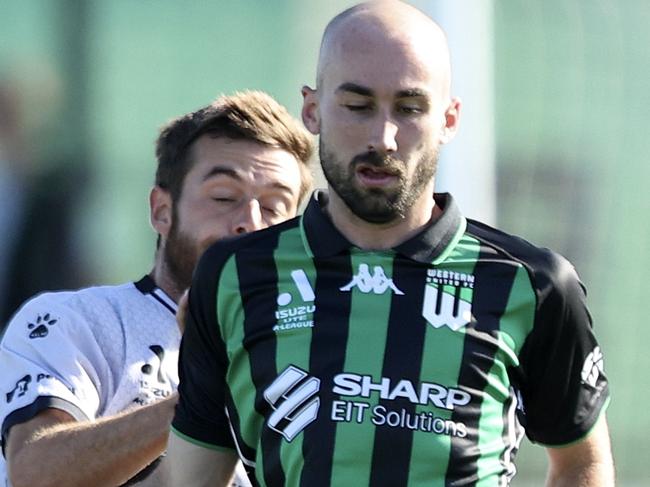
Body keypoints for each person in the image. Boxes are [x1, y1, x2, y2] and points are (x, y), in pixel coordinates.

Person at [168, 2, 614, 486]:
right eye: (357, 106)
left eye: (409, 108)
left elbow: (580, 463)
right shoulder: (234, 275)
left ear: (449, 120)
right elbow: (188, 479)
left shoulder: (533, 284)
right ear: (312, 110)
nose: (383, 137)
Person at [0, 90, 314, 487]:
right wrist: (210, 387)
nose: (249, 223)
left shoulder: (312, 358)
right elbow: (37, 475)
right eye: (224, 197)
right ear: (161, 211)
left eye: (274, 206)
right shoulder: (73, 322)